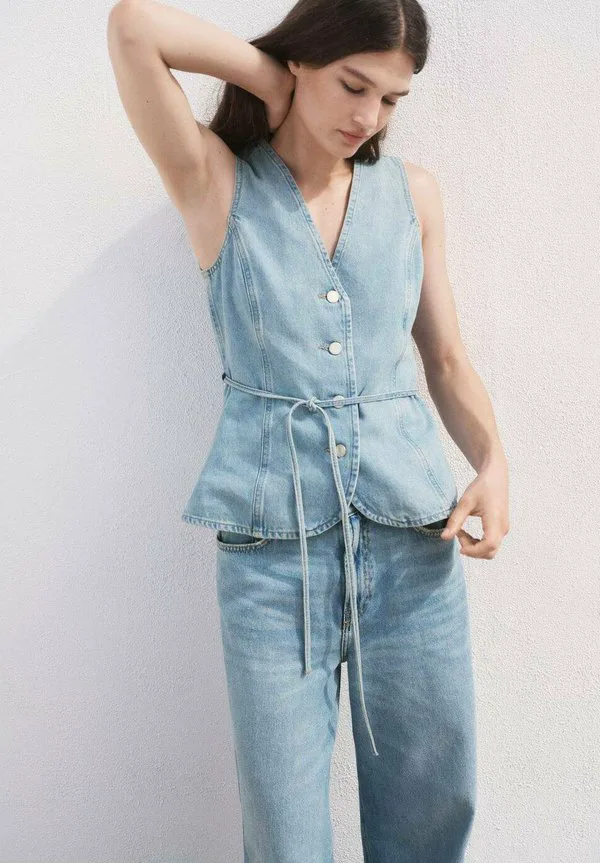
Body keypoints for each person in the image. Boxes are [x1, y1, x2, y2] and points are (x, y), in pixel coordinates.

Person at [108, 0, 510, 860]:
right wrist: (270, 78)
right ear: (303, 61)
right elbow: (134, 27)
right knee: (285, 830)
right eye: (352, 84)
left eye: (391, 99)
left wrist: (492, 460)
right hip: (271, 555)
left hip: (414, 539)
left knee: (433, 806)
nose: (369, 117)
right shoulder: (217, 183)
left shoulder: (414, 195)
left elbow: (445, 358)